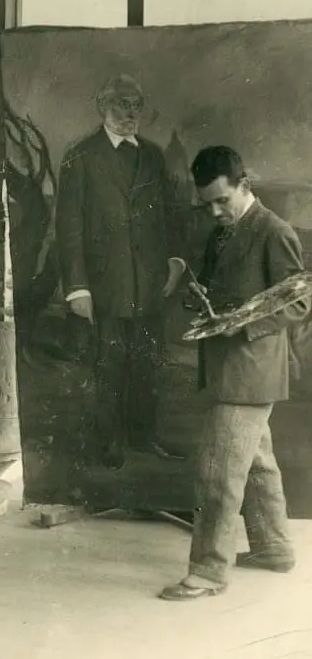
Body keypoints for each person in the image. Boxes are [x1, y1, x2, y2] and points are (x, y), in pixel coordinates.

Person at [160, 145, 310, 601]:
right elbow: (228, 288)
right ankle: (274, 548)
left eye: (222, 200)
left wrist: (240, 324)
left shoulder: (274, 231)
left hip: (250, 373)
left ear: (245, 186)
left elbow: (299, 301)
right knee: (257, 463)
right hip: (233, 368)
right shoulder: (222, 232)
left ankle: (207, 572)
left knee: (219, 471)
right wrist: (204, 299)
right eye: (208, 203)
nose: (215, 211)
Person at [55, 74, 186, 467]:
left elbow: (171, 216)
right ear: (102, 106)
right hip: (103, 283)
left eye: (136, 105)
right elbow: (69, 227)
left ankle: (143, 437)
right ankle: (107, 443)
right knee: (108, 364)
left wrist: (176, 262)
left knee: (146, 362)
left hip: (148, 283)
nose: (130, 113)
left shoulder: (153, 155)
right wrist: (77, 288)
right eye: (121, 104)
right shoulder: (81, 156)